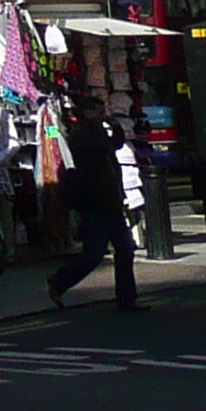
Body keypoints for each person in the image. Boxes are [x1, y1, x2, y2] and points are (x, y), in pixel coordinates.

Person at [49, 95, 142, 310]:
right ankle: (58, 281)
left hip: (111, 202)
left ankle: (127, 299)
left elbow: (116, 145)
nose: (102, 116)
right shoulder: (80, 135)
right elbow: (100, 148)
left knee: (126, 249)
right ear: (88, 113)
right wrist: (101, 127)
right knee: (94, 254)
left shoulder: (98, 132)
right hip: (94, 204)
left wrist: (115, 126)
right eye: (98, 112)